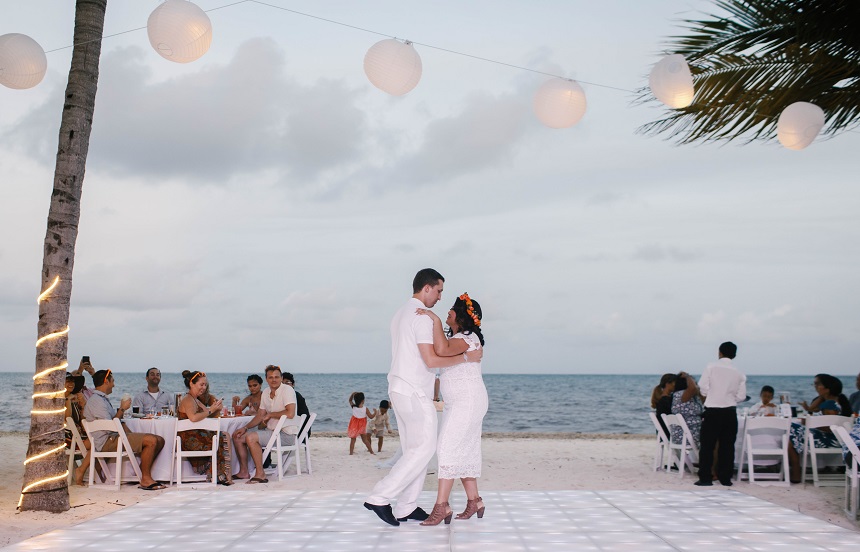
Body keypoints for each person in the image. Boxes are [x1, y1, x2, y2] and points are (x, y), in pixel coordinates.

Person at [364, 268, 482, 527]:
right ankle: (380, 496)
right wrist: (464, 358)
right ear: (427, 287)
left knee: (412, 448)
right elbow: (430, 358)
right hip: (414, 390)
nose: (440, 297)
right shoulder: (422, 318)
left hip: (398, 387)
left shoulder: (400, 313)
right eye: (439, 290)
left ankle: (406, 506)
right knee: (425, 448)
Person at [416, 292, 488, 526]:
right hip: (462, 402)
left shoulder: (467, 338)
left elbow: (443, 350)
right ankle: (474, 500)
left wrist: (435, 320)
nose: (448, 311)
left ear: (462, 316)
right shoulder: (463, 338)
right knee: (464, 450)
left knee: (446, 448)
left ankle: (441, 506)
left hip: (467, 402)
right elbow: (439, 352)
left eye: (452, 310)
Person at [83, 369, 166, 490]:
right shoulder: (96, 401)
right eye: (112, 381)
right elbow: (109, 427)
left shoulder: (102, 399)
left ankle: (143, 473)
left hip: (112, 437)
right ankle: (145, 479)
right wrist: (122, 409)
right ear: (106, 381)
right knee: (152, 441)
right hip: (106, 441)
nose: (114, 385)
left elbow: (112, 422)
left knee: (160, 440)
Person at [232, 365, 297, 484]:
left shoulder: (287, 390)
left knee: (251, 438)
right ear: (266, 379)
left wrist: (271, 414)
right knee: (237, 436)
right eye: (270, 377)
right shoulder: (266, 392)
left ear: (281, 378)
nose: (274, 379)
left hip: (286, 435)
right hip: (272, 432)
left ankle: (260, 474)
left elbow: (290, 413)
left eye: (277, 377)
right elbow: (260, 415)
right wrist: (245, 427)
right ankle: (244, 472)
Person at [695, 341, 747, 487]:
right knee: (728, 446)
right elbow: (742, 396)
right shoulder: (739, 373)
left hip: (712, 410)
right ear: (734, 355)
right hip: (730, 411)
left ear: (720, 352)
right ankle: (725, 478)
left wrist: (709, 395)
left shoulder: (711, 367)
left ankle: (705, 478)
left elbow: (702, 386)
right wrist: (729, 398)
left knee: (707, 446)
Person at [787, 375, 851, 482]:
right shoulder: (831, 401)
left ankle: (796, 471)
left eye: (817, 384)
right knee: (792, 434)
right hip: (835, 439)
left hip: (832, 440)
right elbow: (811, 409)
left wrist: (810, 423)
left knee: (791, 429)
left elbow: (829, 427)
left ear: (827, 388)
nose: (814, 386)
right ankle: (795, 470)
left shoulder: (831, 404)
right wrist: (821, 396)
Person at [177, 370, 233, 485]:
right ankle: (223, 475)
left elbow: (208, 416)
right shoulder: (188, 399)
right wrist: (210, 410)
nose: (204, 387)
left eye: (205, 385)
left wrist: (216, 409)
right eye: (201, 384)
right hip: (189, 440)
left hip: (196, 435)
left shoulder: (195, 400)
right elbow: (193, 417)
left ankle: (221, 474)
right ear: (192, 384)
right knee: (223, 437)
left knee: (223, 435)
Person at [64, 372, 91, 485]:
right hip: (69, 438)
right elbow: (68, 418)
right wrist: (68, 400)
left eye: (72, 381)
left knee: (101, 439)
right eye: (68, 381)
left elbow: (83, 419)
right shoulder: (62, 399)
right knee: (99, 442)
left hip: (78, 435)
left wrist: (83, 405)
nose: (71, 383)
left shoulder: (74, 399)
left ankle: (96, 472)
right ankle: (82, 471)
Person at [670, 372, 703, 448]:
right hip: (687, 437)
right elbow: (693, 388)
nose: (696, 385)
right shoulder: (682, 395)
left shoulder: (679, 395)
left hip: (680, 435)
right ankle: (711, 460)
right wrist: (687, 376)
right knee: (716, 436)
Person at [283, 372, 310, 436]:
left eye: (287, 383)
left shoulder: (296, 396)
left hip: (299, 432)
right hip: (295, 430)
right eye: (282, 384)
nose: (284, 386)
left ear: (293, 384)